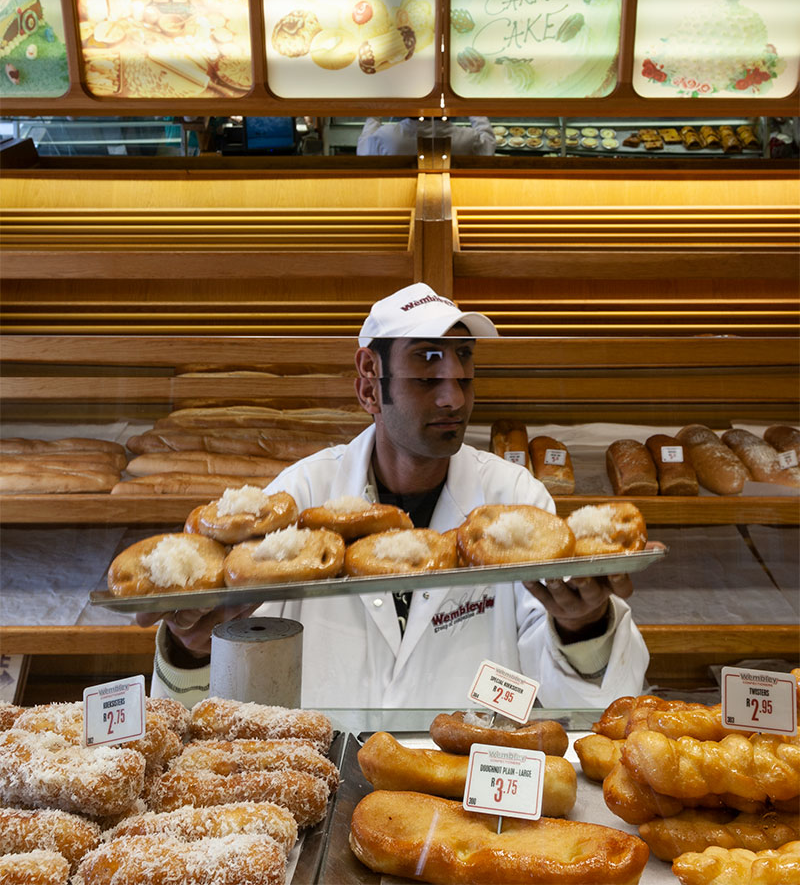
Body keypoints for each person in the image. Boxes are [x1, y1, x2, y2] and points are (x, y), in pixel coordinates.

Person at [143, 283, 648, 708]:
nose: (453, 398)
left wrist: (583, 626)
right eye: (427, 373)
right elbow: (219, 700)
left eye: (463, 368)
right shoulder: (297, 503)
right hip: (326, 777)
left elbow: (582, 702)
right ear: (369, 382)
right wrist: (193, 649)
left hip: (466, 784)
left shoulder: (515, 503)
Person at [357, 116, 496, 155]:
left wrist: (376, 111)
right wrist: (470, 107)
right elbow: (488, 144)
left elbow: (363, 148)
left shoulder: (388, 137)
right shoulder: (466, 139)